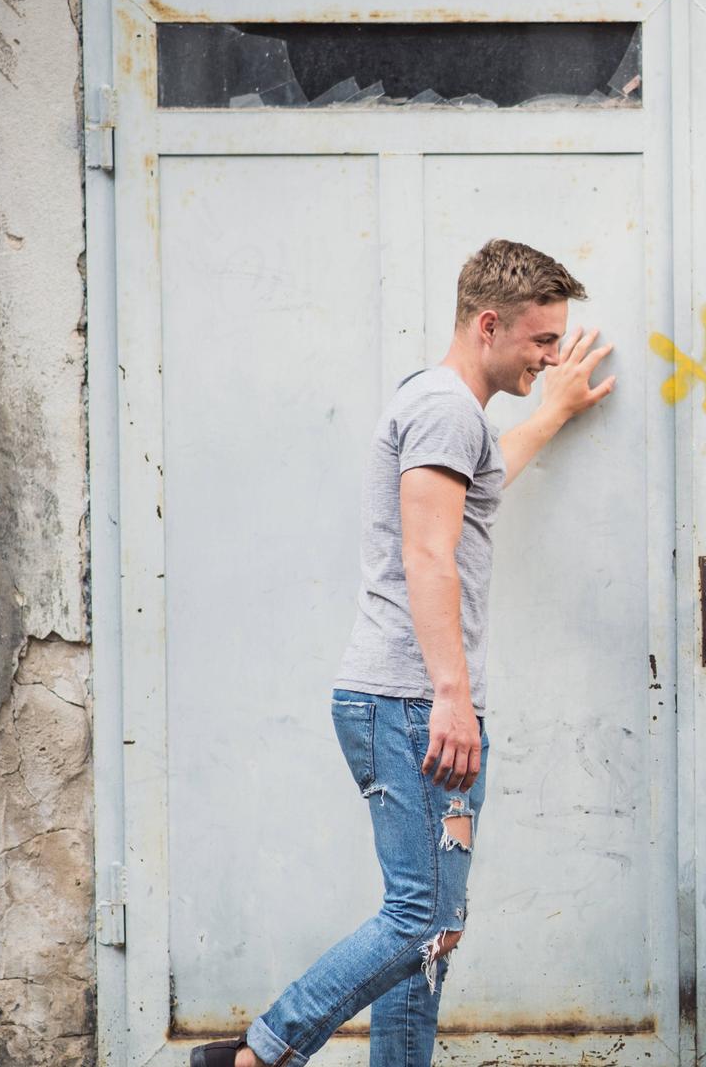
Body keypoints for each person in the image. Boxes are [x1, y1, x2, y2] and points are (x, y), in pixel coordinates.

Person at [192, 239, 617, 1067]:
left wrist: (552, 412)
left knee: (432, 934)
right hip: (412, 702)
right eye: (540, 340)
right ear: (487, 324)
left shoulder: (452, 414)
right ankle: (256, 1055)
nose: (552, 353)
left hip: (413, 700)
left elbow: (480, 495)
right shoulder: (445, 409)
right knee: (420, 917)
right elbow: (428, 554)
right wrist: (451, 696)